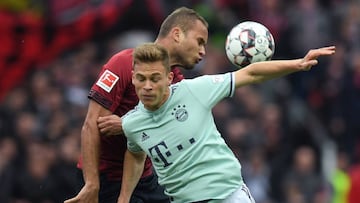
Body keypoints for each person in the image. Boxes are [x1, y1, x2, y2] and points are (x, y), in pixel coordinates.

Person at [118, 43, 336, 203]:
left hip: (228, 195)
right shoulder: (132, 124)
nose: (147, 86)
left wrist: (297, 64)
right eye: (141, 78)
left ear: (168, 78)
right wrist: (124, 198)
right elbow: (135, 153)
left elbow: (250, 73)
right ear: (133, 77)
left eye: (155, 78)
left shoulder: (194, 90)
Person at [65, 7, 209, 203]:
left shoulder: (176, 83)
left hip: (145, 177)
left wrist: (125, 124)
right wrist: (92, 183)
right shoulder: (124, 63)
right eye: (199, 41)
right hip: (106, 180)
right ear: (177, 34)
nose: (203, 51)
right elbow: (92, 124)